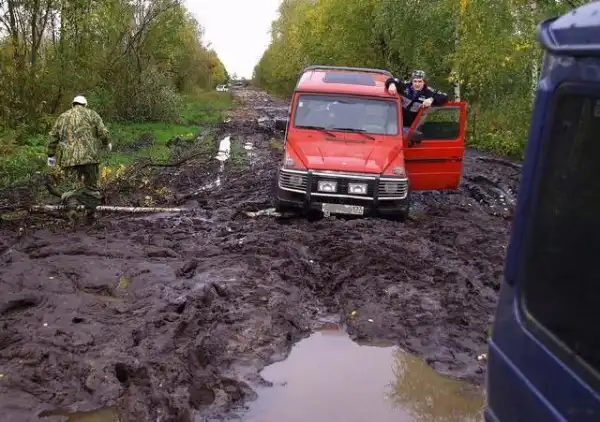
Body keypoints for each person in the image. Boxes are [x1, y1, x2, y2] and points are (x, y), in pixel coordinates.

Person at [46, 95, 112, 217]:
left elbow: (53, 137)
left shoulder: (62, 117)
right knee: (92, 187)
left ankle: (72, 210)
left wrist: (51, 155)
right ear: (85, 105)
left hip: (69, 159)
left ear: (73, 104)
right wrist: (107, 142)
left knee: (71, 187)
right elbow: (103, 132)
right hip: (90, 158)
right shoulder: (92, 114)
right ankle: (91, 213)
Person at [384, 70, 449, 129]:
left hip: (410, 126)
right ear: (412, 81)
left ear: (424, 82)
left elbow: (444, 96)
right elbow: (390, 79)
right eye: (415, 81)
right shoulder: (405, 85)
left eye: (420, 81)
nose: (417, 84)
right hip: (394, 121)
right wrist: (391, 84)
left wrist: (432, 99)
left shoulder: (428, 92)